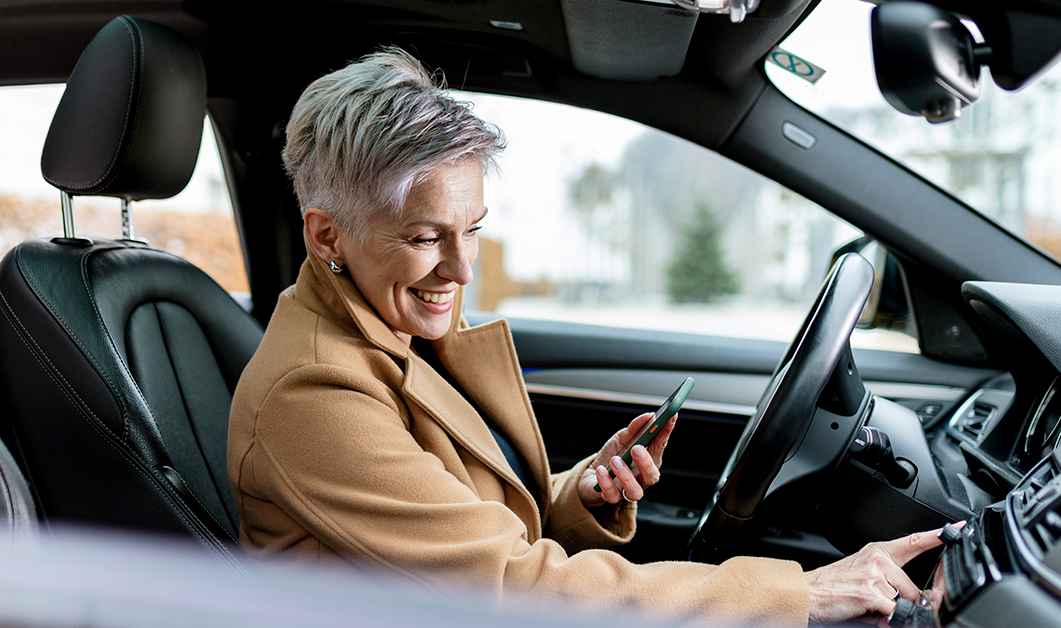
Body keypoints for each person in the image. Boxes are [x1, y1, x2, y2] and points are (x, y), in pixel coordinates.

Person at [227, 48, 949, 627]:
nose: (460, 265)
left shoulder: (394, 323)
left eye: (473, 228)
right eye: (424, 237)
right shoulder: (315, 390)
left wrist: (582, 498)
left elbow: (470, 529)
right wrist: (802, 597)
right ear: (328, 235)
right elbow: (510, 584)